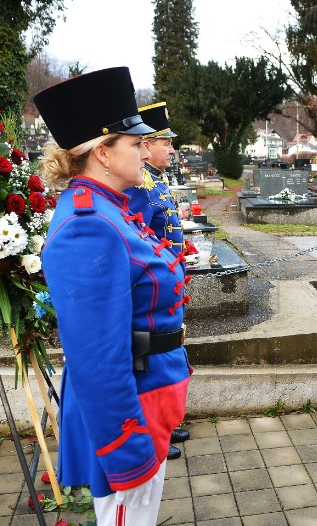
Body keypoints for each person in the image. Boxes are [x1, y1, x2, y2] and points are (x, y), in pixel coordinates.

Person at [35, 67, 191, 525]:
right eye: (135, 143)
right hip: (131, 413)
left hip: (153, 396)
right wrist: (128, 450)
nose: (146, 150)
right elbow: (96, 358)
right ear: (102, 152)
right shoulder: (90, 224)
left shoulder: (109, 209)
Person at [124, 102, 190, 460]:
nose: (171, 149)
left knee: (166, 353)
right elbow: (141, 235)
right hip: (151, 289)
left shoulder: (157, 179)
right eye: (165, 142)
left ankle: (163, 423)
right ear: (146, 145)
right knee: (149, 359)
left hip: (169, 282)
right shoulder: (139, 183)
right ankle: (151, 431)